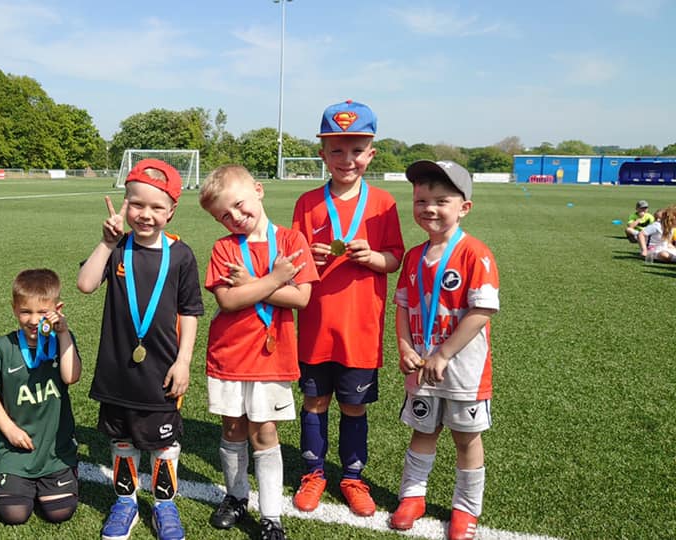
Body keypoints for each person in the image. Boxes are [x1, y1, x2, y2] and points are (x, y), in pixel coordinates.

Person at [76, 159, 204, 540]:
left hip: (163, 369)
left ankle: (164, 505)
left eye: (156, 207)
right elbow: (84, 285)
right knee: (121, 439)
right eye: (137, 204)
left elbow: (191, 311)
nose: (145, 214)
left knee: (163, 441)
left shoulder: (181, 255)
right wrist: (106, 242)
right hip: (117, 371)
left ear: (172, 211)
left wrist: (183, 362)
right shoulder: (117, 249)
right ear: (124, 203)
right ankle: (126, 501)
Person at [289, 100, 404, 516]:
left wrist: (371, 257)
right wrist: (311, 261)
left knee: (354, 406)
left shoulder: (384, 203)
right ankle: (313, 473)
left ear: (371, 152)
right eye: (336, 150)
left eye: (356, 150)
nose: (347, 159)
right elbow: (292, 263)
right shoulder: (307, 203)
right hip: (316, 328)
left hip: (360, 330)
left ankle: (353, 478)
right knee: (314, 404)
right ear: (322, 154)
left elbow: (396, 258)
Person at [199, 164, 319, 540]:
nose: (234, 217)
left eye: (238, 204)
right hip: (229, 356)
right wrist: (273, 279)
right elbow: (230, 300)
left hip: (272, 357)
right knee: (232, 428)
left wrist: (254, 283)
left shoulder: (291, 241)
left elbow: (300, 297)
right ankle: (236, 497)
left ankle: (271, 515)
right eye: (223, 215)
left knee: (264, 433)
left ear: (258, 190)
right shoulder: (223, 249)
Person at [390, 160, 499, 540]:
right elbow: (403, 304)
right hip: (421, 366)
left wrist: (445, 353)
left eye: (441, 200)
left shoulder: (475, 253)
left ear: (463, 207)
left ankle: (466, 510)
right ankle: (412, 497)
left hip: (462, 371)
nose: (429, 208)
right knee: (423, 431)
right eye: (421, 200)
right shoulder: (413, 256)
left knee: (466, 438)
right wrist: (404, 345)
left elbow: (482, 310)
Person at [0, 269, 82, 525]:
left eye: (42, 312)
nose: (34, 320)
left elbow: (71, 377)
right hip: (15, 447)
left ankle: (59, 473)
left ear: (57, 308)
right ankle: (8, 474)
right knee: (14, 514)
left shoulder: (63, 341)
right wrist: (9, 430)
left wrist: (64, 333)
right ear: (14, 309)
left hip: (54, 448)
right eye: (26, 311)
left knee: (59, 513)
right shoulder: (3, 347)